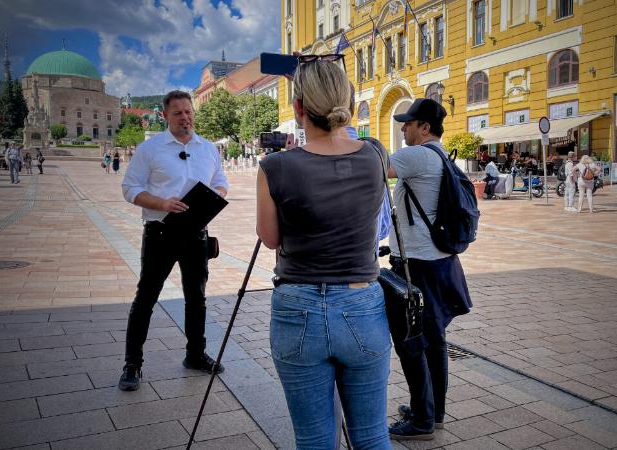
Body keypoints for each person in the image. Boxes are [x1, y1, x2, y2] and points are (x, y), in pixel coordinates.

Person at [257, 57, 391, 449]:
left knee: (314, 439)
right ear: (346, 101)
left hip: (298, 305)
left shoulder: (276, 167)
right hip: (362, 302)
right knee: (371, 436)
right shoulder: (375, 156)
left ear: (299, 107)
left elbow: (269, 237)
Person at [118, 90, 229, 391]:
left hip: (196, 234)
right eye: (178, 113)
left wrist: (211, 199)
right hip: (161, 233)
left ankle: (195, 355)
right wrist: (162, 203)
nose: (185, 117)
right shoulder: (151, 149)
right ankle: (132, 364)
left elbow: (221, 184)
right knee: (146, 298)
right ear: (165, 116)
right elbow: (130, 188)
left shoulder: (207, 149)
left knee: (197, 298)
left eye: (189, 112)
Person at [387, 99, 473, 441]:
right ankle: (432, 410)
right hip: (439, 262)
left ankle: (422, 421)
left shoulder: (417, 156)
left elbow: (372, 166)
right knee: (434, 341)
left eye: (408, 123)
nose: (403, 129)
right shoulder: (440, 156)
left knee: (411, 343)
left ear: (425, 128)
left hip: (416, 266)